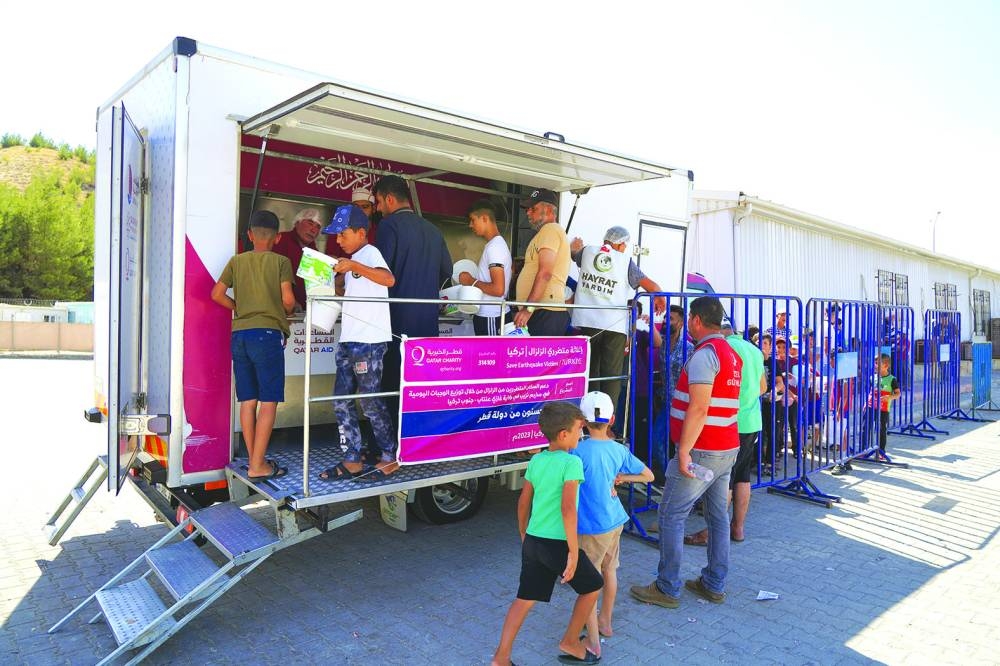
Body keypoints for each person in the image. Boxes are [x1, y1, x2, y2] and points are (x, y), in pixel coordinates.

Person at [629, 296, 742, 609]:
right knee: (719, 517)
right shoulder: (731, 353)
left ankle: (667, 587)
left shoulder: (706, 355)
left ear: (695, 320)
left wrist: (684, 451)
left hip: (703, 450)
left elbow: (700, 406)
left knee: (670, 514)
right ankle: (713, 583)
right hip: (725, 447)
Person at [490, 401, 604, 666]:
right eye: (578, 430)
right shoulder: (571, 463)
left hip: (533, 540)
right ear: (564, 434)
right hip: (558, 544)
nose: (581, 435)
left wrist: (523, 533)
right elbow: (568, 509)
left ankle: (501, 657)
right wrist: (574, 553)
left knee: (524, 599)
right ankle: (571, 641)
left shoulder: (537, 460)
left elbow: (522, 502)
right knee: (593, 586)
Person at [210, 210, 295, 480]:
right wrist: (280, 309)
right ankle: (258, 465)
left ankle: (254, 459)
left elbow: (216, 294)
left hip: (240, 335)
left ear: (249, 235)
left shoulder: (236, 261)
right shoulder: (281, 261)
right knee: (268, 402)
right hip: (267, 336)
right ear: (278, 237)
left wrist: (240, 307)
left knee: (248, 401)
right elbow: (289, 301)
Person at [316, 205, 398, 482]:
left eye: (342, 234)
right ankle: (352, 457)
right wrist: (331, 276)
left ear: (361, 233)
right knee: (341, 400)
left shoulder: (370, 253)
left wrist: (352, 266)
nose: (338, 240)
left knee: (370, 402)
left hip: (369, 342)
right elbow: (344, 289)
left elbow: (388, 279)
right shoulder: (353, 262)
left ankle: (389, 456)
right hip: (349, 339)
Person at [571, 392, 653, 657]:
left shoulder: (577, 451)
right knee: (610, 570)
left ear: (581, 422)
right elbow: (648, 475)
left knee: (589, 583)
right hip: (615, 519)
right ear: (612, 419)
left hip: (592, 526)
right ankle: (605, 620)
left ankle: (593, 641)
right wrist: (622, 478)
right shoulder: (619, 449)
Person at [372, 175, 452, 416]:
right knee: (420, 386)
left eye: (377, 202)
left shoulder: (388, 226)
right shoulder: (434, 230)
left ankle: (392, 447)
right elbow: (447, 272)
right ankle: (417, 442)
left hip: (395, 321)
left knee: (393, 384)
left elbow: (381, 271)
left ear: (389, 199)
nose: (377, 209)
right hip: (428, 321)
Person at [684, 318, 766, 546]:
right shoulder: (754, 350)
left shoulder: (722, 349)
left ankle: (711, 533)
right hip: (751, 421)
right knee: (742, 476)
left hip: (727, 421)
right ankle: (738, 528)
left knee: (723, 478)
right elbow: (763, 387)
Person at [569, 226, 665, 408]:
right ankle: (606, 420)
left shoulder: (587, 252)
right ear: (621, 245)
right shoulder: (625, 261)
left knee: (591, 372)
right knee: (612, 375)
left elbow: (574, 255)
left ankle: (589, 415)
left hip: (587, 323)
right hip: (614, 326)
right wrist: (660, 298)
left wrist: (574, 247)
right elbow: (651, 286)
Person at [513, 188, 571, 336]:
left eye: (533, 208)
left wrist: (528, 309)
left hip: (544, 312)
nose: (528, 213)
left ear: (549, 209)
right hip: (543, 311)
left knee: (538, 359)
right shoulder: (547, 232)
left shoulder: (550, 229)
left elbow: (545, 273)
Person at [456, 199, 512, 335]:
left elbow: (498, 289)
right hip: (488, 314)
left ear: (485, 218)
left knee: (492, 356)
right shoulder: (494, 245)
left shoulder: (495, 248)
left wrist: (470, 281)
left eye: (473, 220)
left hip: (491, 315)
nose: (470, 225)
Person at [271, 207, 322, 309]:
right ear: (297, 223)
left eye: (318, 227)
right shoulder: (280, 240)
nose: (314, 230)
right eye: (310, 223)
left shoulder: (315, 252)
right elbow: (270, 276)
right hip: (280, 309)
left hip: (305, 312)